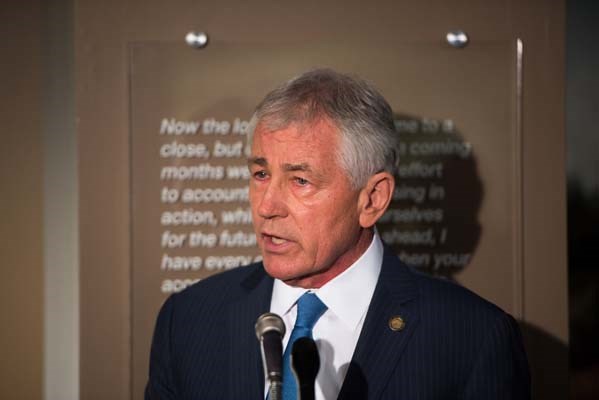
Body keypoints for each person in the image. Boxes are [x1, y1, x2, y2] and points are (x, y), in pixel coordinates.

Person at [145, 68, 530, 399]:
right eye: (260, 174)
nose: (266, 206)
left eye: (300, 180)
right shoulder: (188, 320)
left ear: (372, 199)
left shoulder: (471, 338)